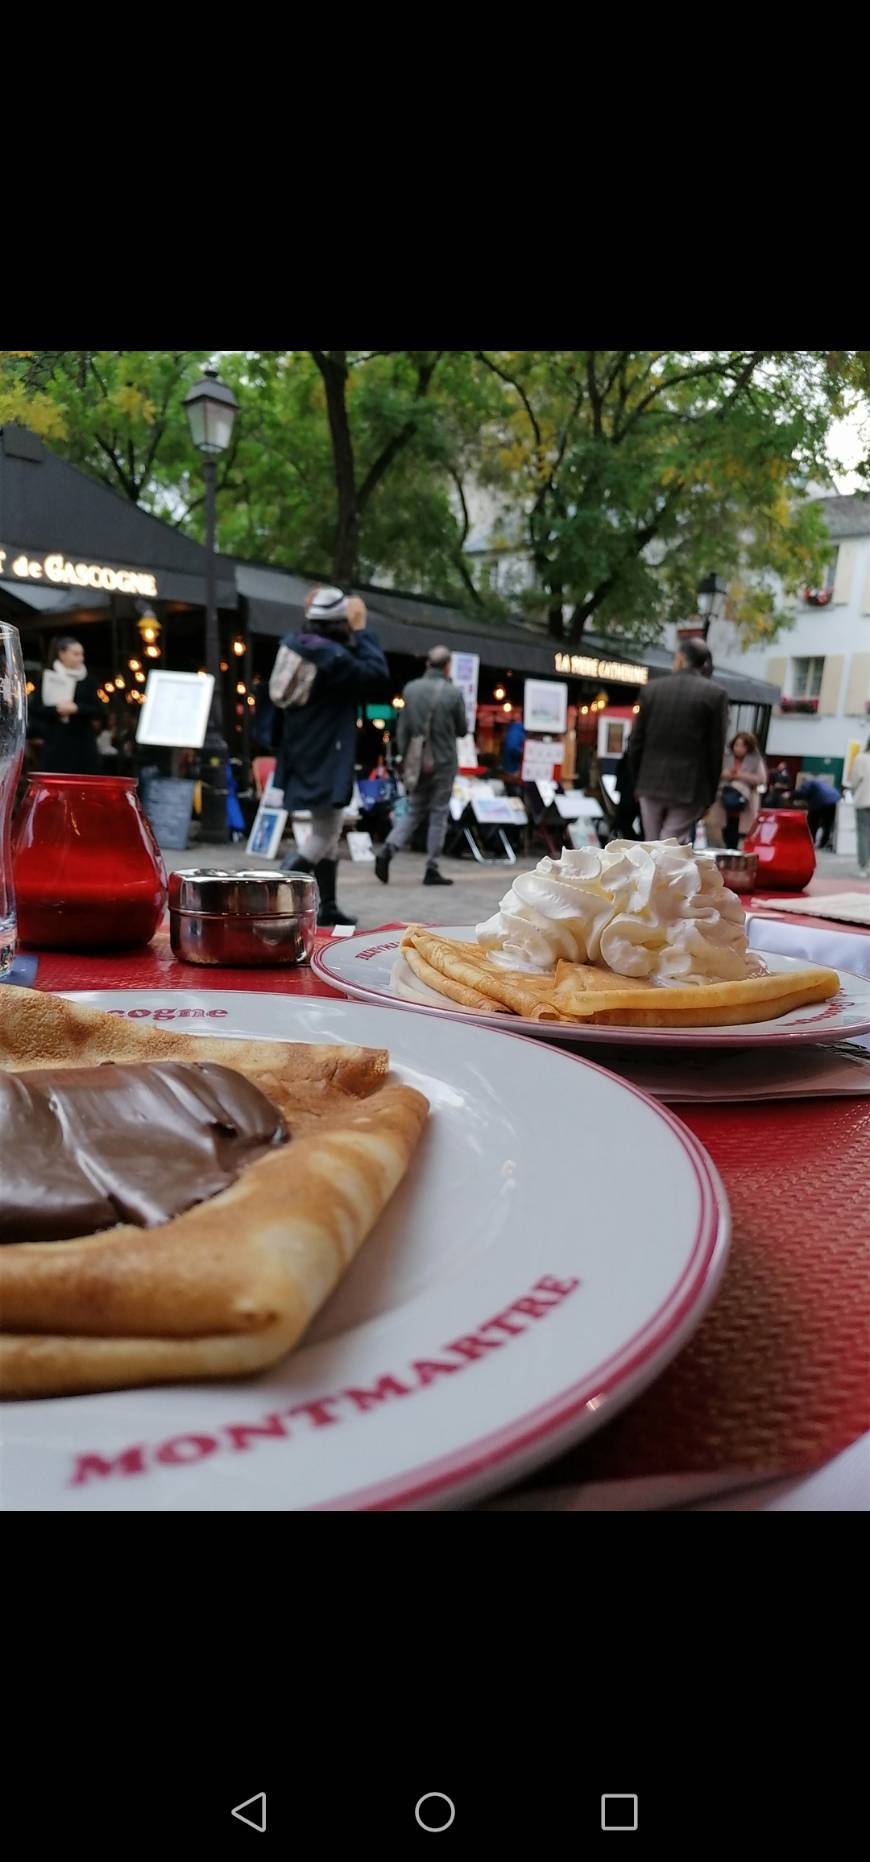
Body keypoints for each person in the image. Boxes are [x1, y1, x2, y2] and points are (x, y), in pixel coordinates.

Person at [270, 586, 388, 926]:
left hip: (303, 750)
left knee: (326, 828)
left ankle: (329, 906)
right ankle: (277, 887)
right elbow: (376, 675)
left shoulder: (300, 645)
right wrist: (363, 628)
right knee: (327, 830)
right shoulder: (333, 658)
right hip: (325, 753)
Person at [375, 645, 469, 886]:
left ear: (428, 664)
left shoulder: (411, 689)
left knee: (414, 810)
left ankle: (388, 849)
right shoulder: (453, 693)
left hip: (417, 762)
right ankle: (431, 867)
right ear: (447, 666)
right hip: (444, 761)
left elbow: (403, 730)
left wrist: (407, 759)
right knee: (438, 814)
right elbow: (462, 729)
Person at [627, 638, 728, 844]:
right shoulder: (715, 694)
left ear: (681, 658)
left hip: (650, 780)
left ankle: (651, 874)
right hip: (690, 784)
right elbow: (715, 749)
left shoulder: (652, 689)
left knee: (652, 842)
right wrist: (710, 794)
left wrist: (637, 782)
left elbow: (636, 741)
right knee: (669, 842)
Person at [29, 635, 105, 775]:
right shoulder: (46, 677)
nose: (80, 658)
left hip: (83, 744)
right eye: (76, 654)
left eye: (82, 654)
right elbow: (35, 709)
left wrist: (77, 708)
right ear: (62, 654)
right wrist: (56, 709)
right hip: (56, 744)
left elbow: (99, 710)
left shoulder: (89, 679)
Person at [709, 730, 768, 849]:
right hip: (724, 799)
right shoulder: (726, 758)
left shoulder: (756, 760)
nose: (739, 748)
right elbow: (714, 772)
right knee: (725, 830)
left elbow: (761, 778)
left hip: (744, 801)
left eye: (742, 745)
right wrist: (726, 774)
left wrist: (740, 775)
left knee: (737, 831)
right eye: (737, 745)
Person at [793, 773, 841, 850]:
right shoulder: (822, 782)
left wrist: (791, 795)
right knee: (827, 824)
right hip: (835, 800)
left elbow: (802, 793)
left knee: (812, 822)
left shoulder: (808, 782)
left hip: (821, 801)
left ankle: (811, 841)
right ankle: (823, 843)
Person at [845, 738, 870, 878]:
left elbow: (854, 780)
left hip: (864, 800)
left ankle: (863, 866)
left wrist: (854, 792)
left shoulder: (861, 758)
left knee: (863, 833)